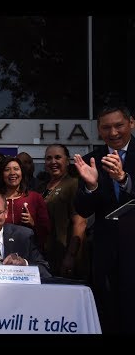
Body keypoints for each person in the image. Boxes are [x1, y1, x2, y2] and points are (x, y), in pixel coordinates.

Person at [73, 104, 135, 333]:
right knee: (107, 317)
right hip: (105, 253)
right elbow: (82, 209)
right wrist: (91, 186)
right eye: (106, 127)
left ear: (131, 123)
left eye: (119, 125)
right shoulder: (91, 160)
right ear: (99, 130)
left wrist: (123, 179)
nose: (114, 132)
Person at [37, 144, 87, 279]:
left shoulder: (73, 184)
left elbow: (80, 223)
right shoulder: (41, 188)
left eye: (58, 157)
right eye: (49, 158)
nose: (53, 162)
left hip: (65, 255)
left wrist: (70, 256)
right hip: (45, 256)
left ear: (67, 161)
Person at [0, 156, 50, 252]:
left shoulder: (35, 198)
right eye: (7, 170)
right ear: (1, 174)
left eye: (16, 169)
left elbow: (46, 231)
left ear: (22, 173)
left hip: (28, 251)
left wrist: (32, 223)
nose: (12, 173)